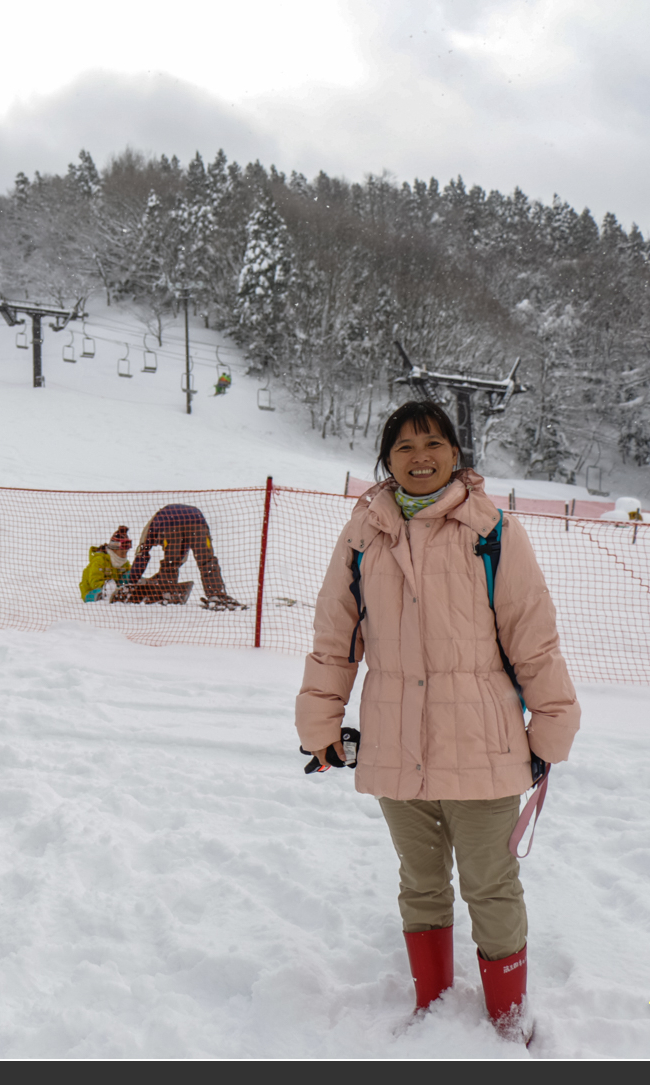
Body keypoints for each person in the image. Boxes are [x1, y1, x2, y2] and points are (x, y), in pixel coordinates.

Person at [295, 399, 580, 1043]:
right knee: (421, 884)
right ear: (386, 460)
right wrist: (321, 723)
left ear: (455, 453)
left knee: (491, 885)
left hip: (483, 742)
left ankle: (508, 1018)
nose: (419, 457)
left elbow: (533, 637)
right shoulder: (363, 535)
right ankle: (434, 1004)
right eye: (404, 446)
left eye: (433, 443)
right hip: (395, 742)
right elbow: (335, 639)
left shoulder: (492, 531)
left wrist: (551, 723)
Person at [119, 504, 244, 610]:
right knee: (207, 560)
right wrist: (157, 578)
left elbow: (142, 556)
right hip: (197, 520)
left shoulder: (149, 530)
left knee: (170, 562)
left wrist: (132, 582)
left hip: (171, 520)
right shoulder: (177, 535)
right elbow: (181, 558)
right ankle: (217, 594)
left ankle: (167, 593)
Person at [79, 526, 132, 601]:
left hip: (114, 589)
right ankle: (106, 597)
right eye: (122, 553)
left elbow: (127, 576)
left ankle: (141, 586)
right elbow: (94, 583)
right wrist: (110, 588)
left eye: (126, 553)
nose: (124, 556)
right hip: (92, 591)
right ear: (114, 549)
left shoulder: (123, 562)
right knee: (100, 593)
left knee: (131, 573)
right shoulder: (99, 560)